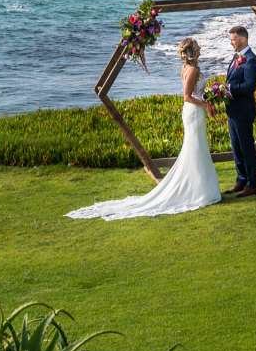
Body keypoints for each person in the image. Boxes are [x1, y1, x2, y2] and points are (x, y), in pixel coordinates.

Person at [66, 37, 221, 221]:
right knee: (195, 148)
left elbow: (193, 93)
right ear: (193, 52)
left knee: (196, 148)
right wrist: (206, 105)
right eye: (197, 47)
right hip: (194, 111)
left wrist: (207, 99)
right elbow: (187, 96)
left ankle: (198, 188)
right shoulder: (193, 69)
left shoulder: (186, 68)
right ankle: (199, 191)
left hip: (192, 112)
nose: (200, 48)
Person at [223, 23, 256, 198]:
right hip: (232, 111)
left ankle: (252, 184)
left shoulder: (251, 60)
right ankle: (241, 180)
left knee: (247, 148)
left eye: (233, 39)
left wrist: (229, 88)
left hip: (243, 111)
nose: (231, 42)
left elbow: (249, 86)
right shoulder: (236, 56)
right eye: (231, 39)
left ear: (243, 39)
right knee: (236, 147)